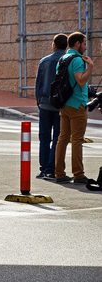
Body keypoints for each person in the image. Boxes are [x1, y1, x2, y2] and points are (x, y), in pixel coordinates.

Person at [54, 32, 94, 184]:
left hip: (64, 103)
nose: (85, 47)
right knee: (77, 140)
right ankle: (78, 174)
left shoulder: (62, 58)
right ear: (77, 44)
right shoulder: (77, 60)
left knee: (62, 139)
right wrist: (90, 66)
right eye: (84, 44)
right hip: (77, 104)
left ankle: (59, 172)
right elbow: (81, 81)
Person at [35, 33, 68, 180]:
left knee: (44, 137)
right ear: (66, 46)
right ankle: (51, 168)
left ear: (54, 45)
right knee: (58, 138)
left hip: (45, 103)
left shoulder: (44, 61)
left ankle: (43, 168)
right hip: (60, 105)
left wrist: (39, 101)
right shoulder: (68, 61)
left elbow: (39, 83)